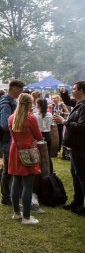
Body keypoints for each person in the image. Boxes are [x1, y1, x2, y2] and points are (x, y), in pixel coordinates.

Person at [8, 93, 43, 225]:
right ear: (29, 104)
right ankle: (26, 217)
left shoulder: (12, 118)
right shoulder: (31, 118)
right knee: (28, 185)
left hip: (15, 151)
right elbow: (38, 136)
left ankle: (17, 213)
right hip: (27, 152)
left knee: (16, 182)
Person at [54, 81, 85, 216]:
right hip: (74, 147)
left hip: (80, 147)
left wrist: (64, 121)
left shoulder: (84, 106)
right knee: (75, 175)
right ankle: (77, 202)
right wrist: (64, 93)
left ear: (82, 90)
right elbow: (68, 100)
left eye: (74, 89)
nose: (72, 91)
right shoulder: (79, 104)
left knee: (82, 176)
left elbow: (82, 127)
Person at [0, 79, 25, 206]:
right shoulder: (5, 103)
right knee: (8, 171)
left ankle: (9, 196)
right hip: (8, 141)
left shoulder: (10, 101)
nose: (21, 92)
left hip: (11, 140)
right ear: (14, 89)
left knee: (9, 170)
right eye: (20, 89)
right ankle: (6, 197)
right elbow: (4, 124)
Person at [34, 98, 54, 174]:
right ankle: (50, 171)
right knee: (48, 155)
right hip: (48, 135)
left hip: (39, 135)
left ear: (38, 105)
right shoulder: (50, 114)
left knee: (38, 155)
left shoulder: (35, 115)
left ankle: (40, 172)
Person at [50, 94, 70, 158]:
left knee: (60, 136)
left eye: (55, 98)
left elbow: (68, 113)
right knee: (53, 136)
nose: (53, 100)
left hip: (60, 122)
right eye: (53, 98)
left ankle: (58, 150)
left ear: (58, 98)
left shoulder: (62, 104)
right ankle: (53, 149)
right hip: (53, 122)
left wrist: (62, 113)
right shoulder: (52, 105)